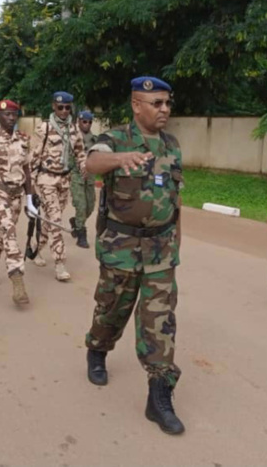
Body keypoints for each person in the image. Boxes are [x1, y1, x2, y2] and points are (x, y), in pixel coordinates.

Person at [84, 76, 186, 435]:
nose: (164, 110)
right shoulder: (115, 138)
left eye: (167, 103)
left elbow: (175, 202)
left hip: (161, 250)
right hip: (121, 249)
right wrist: (118, 159)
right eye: (156, 103)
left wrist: (176, 244)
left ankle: (159, 397)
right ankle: (97, 349)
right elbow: (91, 163)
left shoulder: (172, 145)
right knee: (111, 311)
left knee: (160, 323)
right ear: (136, 105)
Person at [0, 100, 39, 305]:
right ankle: (18, 281)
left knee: (2, 233)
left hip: (16, 194)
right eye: (7, 115)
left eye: (14, 115)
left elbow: (27, 171)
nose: (11, 118)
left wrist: (30, 199)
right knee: (10, 232)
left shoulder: (23, 139)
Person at [30, 91, 87, 281]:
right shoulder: (44, 128)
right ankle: (60, 263)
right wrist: (30, 189)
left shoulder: (73, 130)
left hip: (64, 181)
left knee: (50, 221)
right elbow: (33, 158)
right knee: (55, 219)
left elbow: (80, 153)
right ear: (53, 106)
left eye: (67, 107)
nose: (64, 111)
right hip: (46, 179)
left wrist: (85, 168)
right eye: (60, 107)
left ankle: (37, 250)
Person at [69, 110, 97, 248]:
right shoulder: (71, 138)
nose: (87, 124)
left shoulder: (95, 140)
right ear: (78, 122)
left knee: (90, 206)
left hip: (90, 176)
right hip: (76, 175)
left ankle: (76, 222)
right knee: (81, 206)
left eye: (90, 122)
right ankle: (81, 234)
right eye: (84, 121)